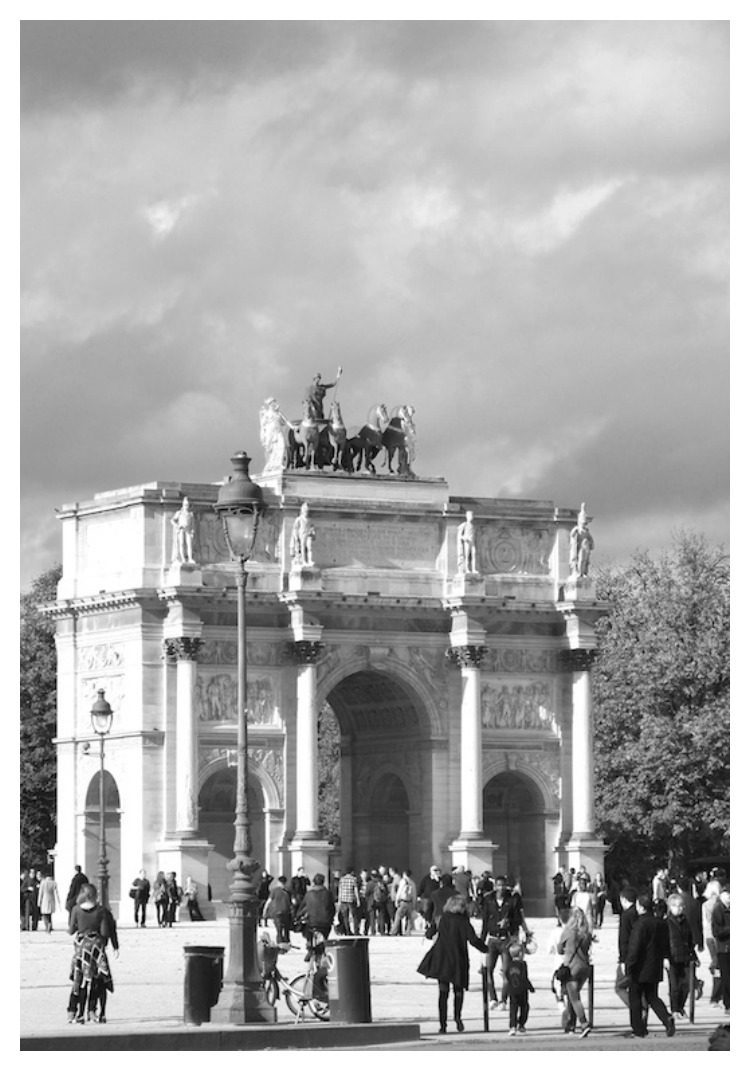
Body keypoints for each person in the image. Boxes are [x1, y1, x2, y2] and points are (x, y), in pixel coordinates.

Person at [416, 893, 488, 1034]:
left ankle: (443, 1024)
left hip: (441, 958)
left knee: (443, 993)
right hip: (458, 958)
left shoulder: (441, 918)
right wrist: (485, 949)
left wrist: (433, 933)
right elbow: (473, 940)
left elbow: (429, 934)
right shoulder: (463, 922)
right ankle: (457, 1017)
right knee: (458, 991)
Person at [67, 882, 119, 1024]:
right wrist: (113, 945)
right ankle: (92, 1011)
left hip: (81, 950)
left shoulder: (76, 909)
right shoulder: (101, 911)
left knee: (80, 980)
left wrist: (78, 927)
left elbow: (71, 930)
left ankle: (74, 1013)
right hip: (96, 950)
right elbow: (104, 932)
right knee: (96, 980)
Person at [625, 893, 675, 1038]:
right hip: (655, 964)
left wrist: (630, 964)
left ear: (640, 907)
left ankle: (638, 1029)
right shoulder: (660, 923)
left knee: (635, 998)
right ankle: (666, 1018)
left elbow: (635, 947)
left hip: (639, 967)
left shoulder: (640, 924)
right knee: (652, 996)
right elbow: (665, 944)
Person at [480, 875, 531, 1011]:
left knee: (507, 971)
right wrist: (481, 941)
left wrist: (510, 923)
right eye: (498, 885)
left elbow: (519, 919)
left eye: (503, 885)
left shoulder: (513, 898)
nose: (501, 888)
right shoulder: (488, 899)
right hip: (492, 939)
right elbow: (485, 921)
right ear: (495, 886)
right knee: (488, 970)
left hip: (507, 940)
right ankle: (492, 998)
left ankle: (503, 1000)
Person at [556, 906, 594, 1037]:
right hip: (585, 967)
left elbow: (560, 949)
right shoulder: (586, 934)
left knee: (574, 998)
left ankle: (584, 1023)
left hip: (572, 967)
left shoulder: (568, 932)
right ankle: (570, 1025)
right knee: (574, 995)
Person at [665, 892, 695, 1017]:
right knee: (674, 986)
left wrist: (694, 955)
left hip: (685, 955)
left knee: (687, 984)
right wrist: (665, 957)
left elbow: (690, 940)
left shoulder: (685, 921)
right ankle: (675, 1009)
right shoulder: (667, 922)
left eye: (682, 906)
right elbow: (664, 941)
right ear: (671, 907)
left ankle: (681, 1007)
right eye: (677, 906)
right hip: (672, 956)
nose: (680, 908)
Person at [505, 940, 536, 1036]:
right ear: (521, 953)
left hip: (512, 990)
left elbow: (506, 976)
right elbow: (524, 977)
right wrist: (530, 987)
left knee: (513, 1009)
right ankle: (521, 1024)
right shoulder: (523, 964)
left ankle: (512, 1026)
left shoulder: (508, 965)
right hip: (522, 990)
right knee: (524, 1007)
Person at [711, 886, 730, 1014]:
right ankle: (728, 1004)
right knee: (727, 978)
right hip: (724, 948)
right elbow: (717, 932)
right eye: (728, 894)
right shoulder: (718, 910)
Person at [263, 875, 292, 944]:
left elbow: (268, 901)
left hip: (276, 912)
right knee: (286, 929)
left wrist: (264, 911)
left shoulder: (274, 890)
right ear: (285, 883)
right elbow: (289, 903)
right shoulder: (288, 892)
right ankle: (286, 943)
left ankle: (280, 944)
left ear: (278, 882)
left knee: (279, 930)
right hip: (285, 912)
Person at [426, 873, 456, 937]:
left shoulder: (435, 893)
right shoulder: (456, 894)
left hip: (438, 918)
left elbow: (430, 908)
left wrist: (428, 919)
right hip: (453, 919)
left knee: (438, 939)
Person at [569, 503, 594, 578]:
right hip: (580, 548)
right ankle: (579, 572)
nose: (584, 524)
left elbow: (591, 539)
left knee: (585, 561)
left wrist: (590, 543)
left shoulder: (586, 531)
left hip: (585, 548)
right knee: (580, 560)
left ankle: (584, 573)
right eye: (582, 523)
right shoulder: (577, 530)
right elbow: (572, 536)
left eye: (584, 523)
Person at [391, 869, 417, 936]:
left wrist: (397, 900)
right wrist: (414, 904)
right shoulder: (412, 883)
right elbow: (414, 894)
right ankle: (408, 931)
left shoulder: (403, 881)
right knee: (409, 918)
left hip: (403, 901)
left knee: (398, 916)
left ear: (404, 874)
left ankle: (394, 931)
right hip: (410, 902)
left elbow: (399, 891)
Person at [336, 866, 361, 936]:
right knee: (354, 916)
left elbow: (340, 890)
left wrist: (339, 900)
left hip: (343, 900)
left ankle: (347, 931)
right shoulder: (353, 879)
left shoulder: (342, 879)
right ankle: (356, 931)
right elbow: (355, 890)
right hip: (351, 899)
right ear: (351, 871)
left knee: (345, 917)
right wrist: (358, 900)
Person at [170, 496, 196, 564]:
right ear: (183, 505)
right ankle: (183, 558)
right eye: (185, 505)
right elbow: (172, 520)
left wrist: (193, 531)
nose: (186, 506)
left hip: (188, 530)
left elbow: (193, 523)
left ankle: (190, 558)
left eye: (187, 505)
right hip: (181, 529)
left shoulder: (190, 514)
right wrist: (178, 526)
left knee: (189, 544)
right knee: (181, 543)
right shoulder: (179, 513)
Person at [290, 503, 316, 567]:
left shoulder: (309, 520)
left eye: (307, 511)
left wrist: (313, 532)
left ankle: (310, 560)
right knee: (303, 547)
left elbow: (312, 527)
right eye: (305, 511)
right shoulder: (299, 519)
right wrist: (296, 536)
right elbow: (295, 528)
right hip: (302, 535)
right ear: (302, 511)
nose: (306, 512)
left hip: (308, 534)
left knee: (310, 547)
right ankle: (303, 561)